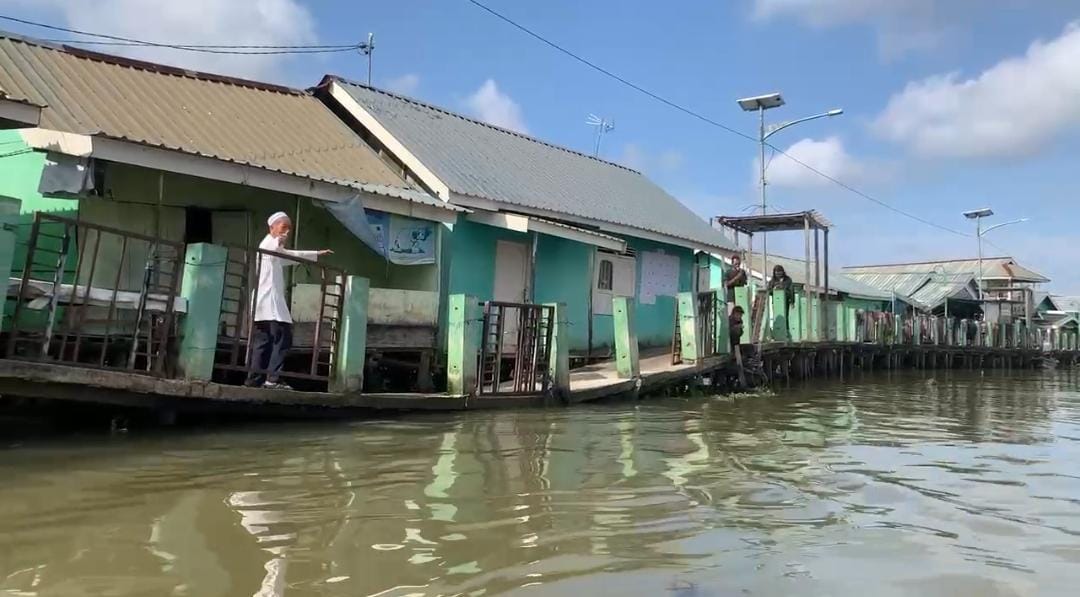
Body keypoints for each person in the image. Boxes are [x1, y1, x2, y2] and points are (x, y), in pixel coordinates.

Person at [245, 212, 333, 390]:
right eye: (283, 227)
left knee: (264, 342)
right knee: (282, 339)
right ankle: (273, 379)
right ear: (272, 227)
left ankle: (254, 380)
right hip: (270, 303)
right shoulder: (269, 243)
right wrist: (280, 239)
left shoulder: (272, 249)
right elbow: (278, 246)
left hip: (264, 303)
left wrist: (316, 253)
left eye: (288, 229)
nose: (286, 232)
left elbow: (292, 255)